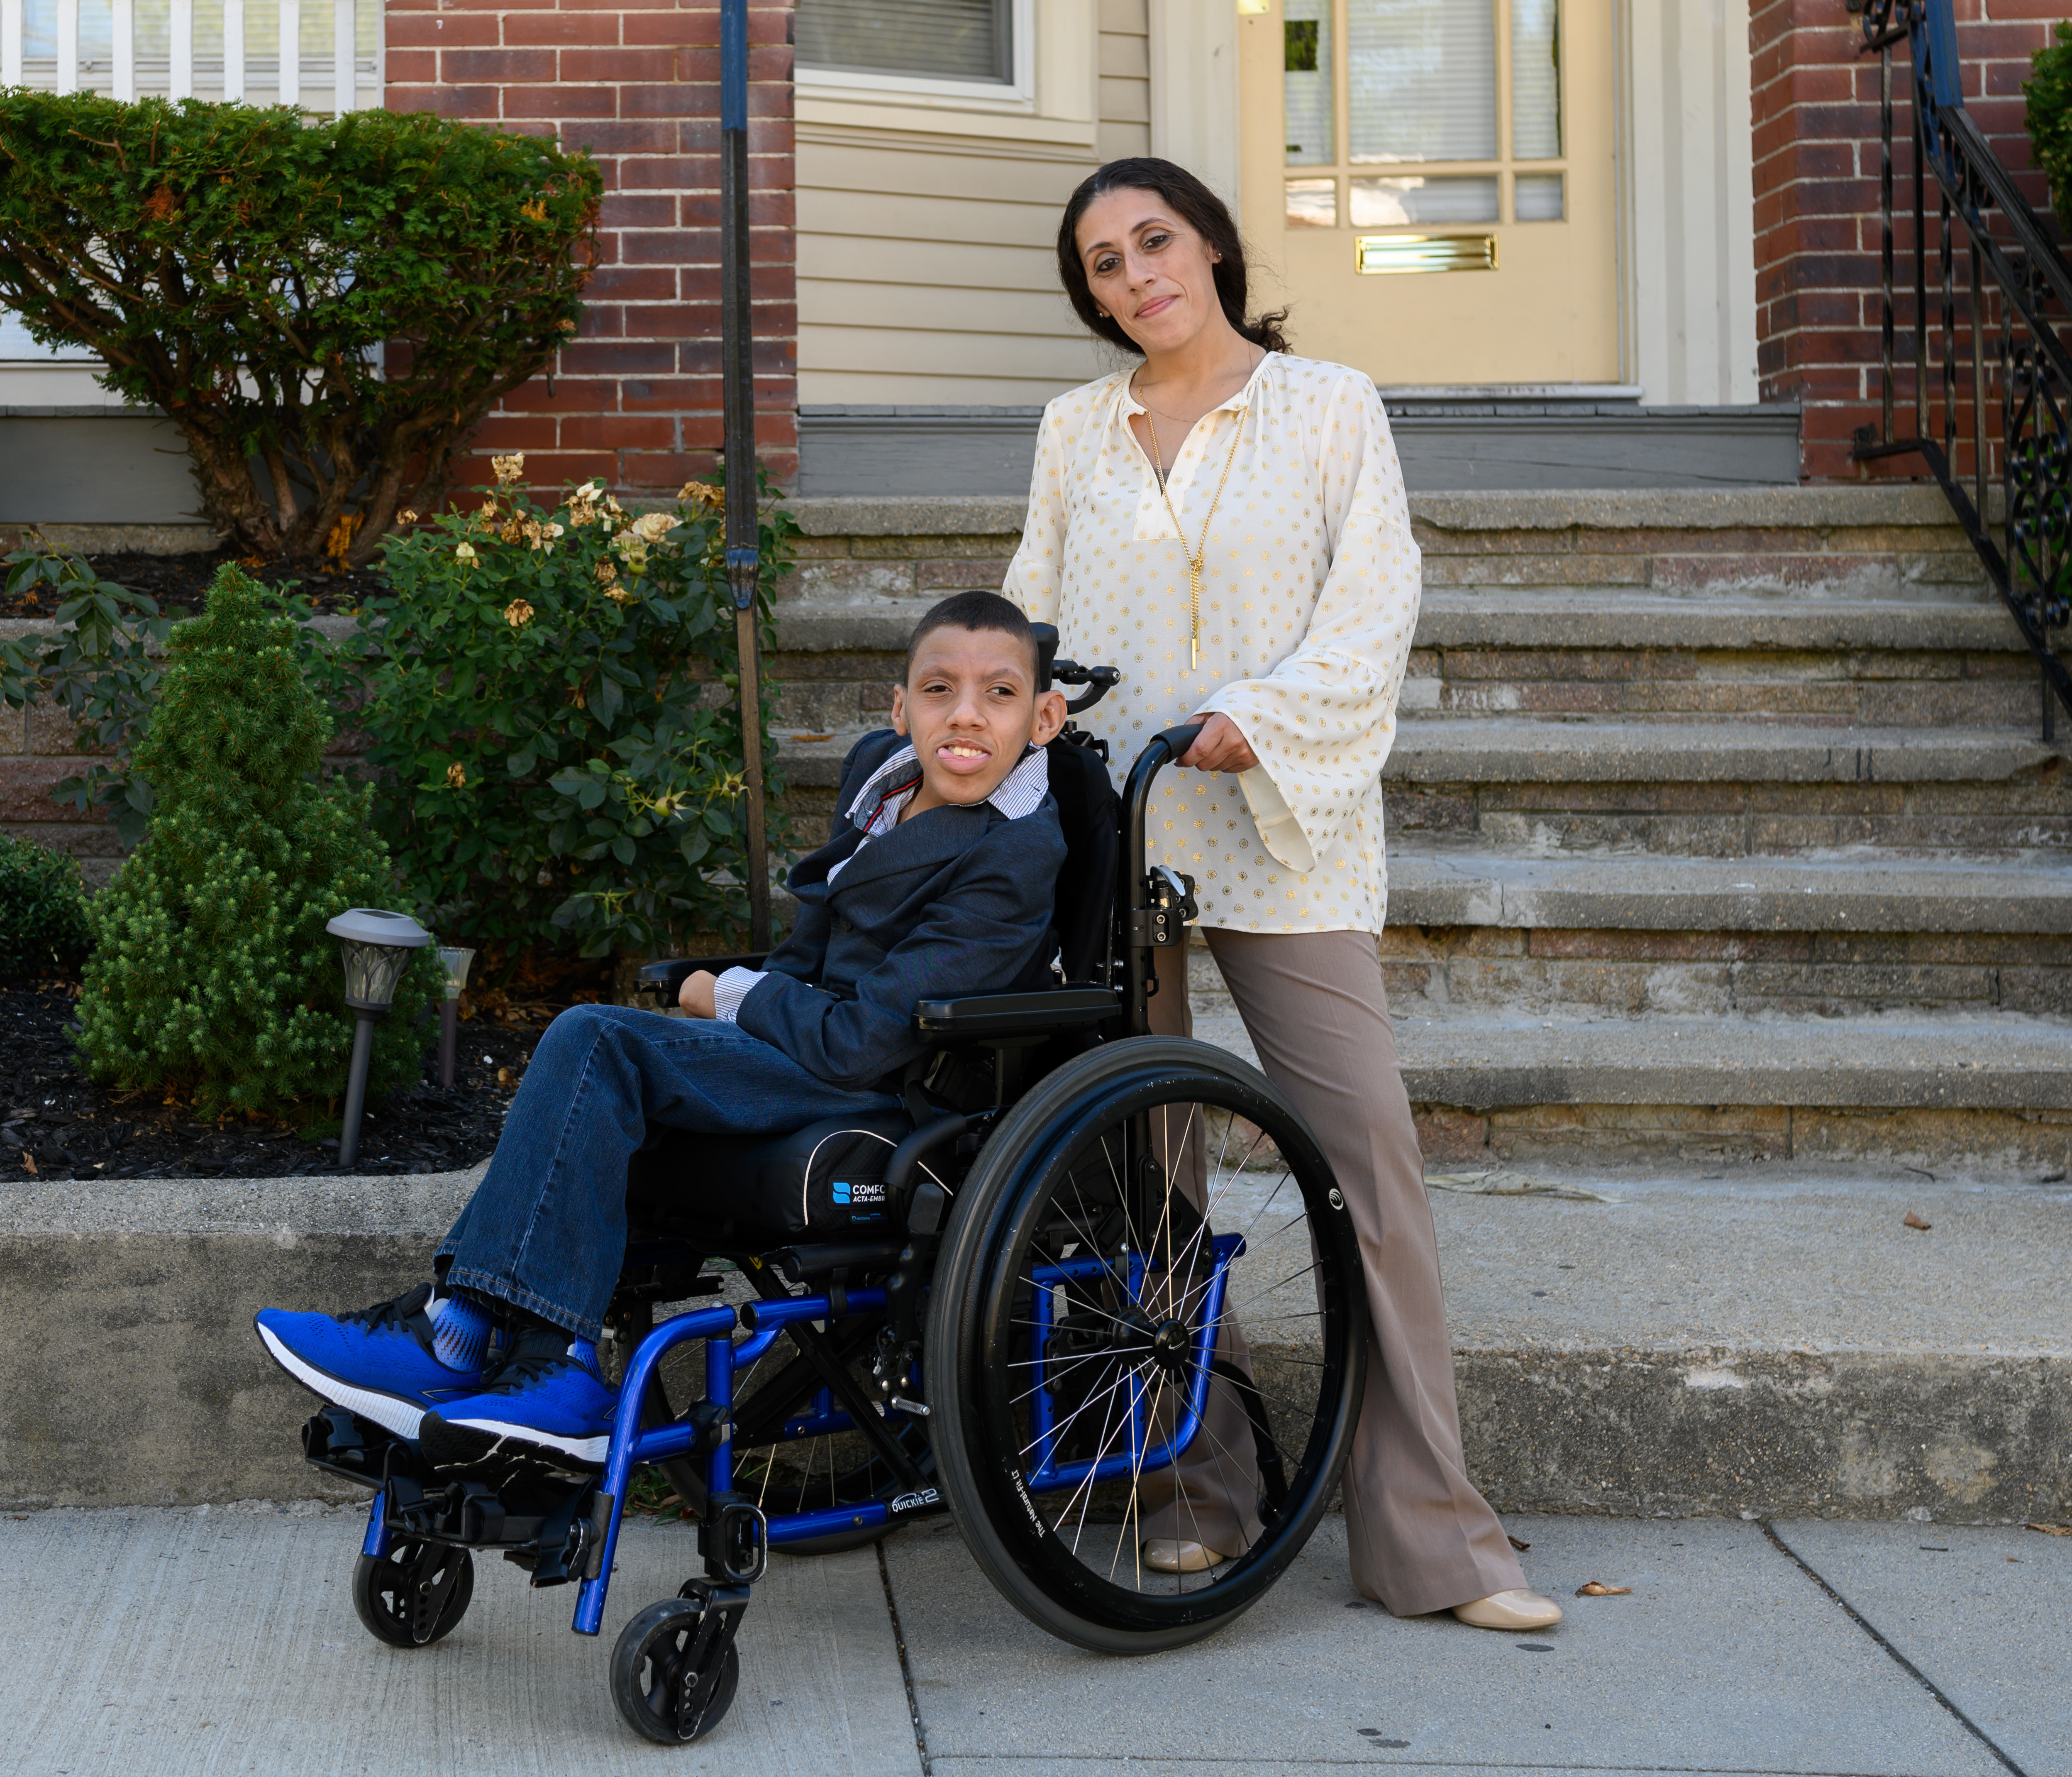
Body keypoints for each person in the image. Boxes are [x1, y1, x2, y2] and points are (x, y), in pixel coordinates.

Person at [1003, 154, 1561, 1634]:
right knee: (1147, 1176)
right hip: (1123, 844)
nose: (1137, 277)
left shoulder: (1327, 406)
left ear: (1213, 244)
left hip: (1284, 821)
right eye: (1105, 265)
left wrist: (1264, 709)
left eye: (1155, 241)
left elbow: (1373, 605)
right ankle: (1197, 1489)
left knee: (1364, 1164)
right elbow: (1036, 614)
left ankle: (1433, 1537)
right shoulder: (1074, 432)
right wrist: (1011, 701)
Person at [254, 589, 1069, 1471]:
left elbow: (866, 1040)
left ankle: (490, 1345)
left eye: (999, 695)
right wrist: (739, 988)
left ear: (1044, 715)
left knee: (595, 1041)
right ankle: (480, 1338)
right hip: (813, 1040)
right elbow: (809, 956)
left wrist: (729, 996)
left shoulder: (1016, 850)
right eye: (939, 689)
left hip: (885, 1080)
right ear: (898, 705)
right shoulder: (888, 782)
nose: (965, 716)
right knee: (605, 1072)